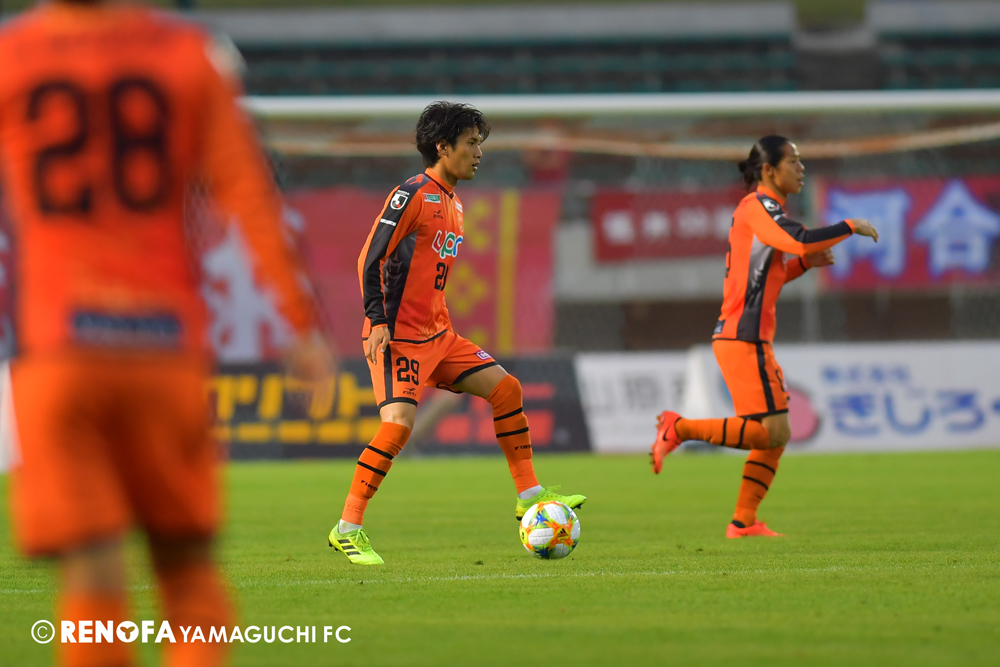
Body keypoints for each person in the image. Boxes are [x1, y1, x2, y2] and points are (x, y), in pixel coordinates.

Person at [0, 3, 333, 666]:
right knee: (187, 572)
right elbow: (248, 194)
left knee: (92, 581)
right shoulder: (188, 53)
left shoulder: (11, 56)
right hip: (165, 346)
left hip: (58, 351)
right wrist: (301, 325)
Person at [329, 101, 585, 565]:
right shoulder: (411, 194)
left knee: (506, 389)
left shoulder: (454, 203)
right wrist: (378, 320)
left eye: (480, 144)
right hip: (399, 337)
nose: (479, 152)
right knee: (398, 426)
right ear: (443, 147)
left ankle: (528, 495)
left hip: (439, 336)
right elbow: (370, 258)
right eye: (471, 143)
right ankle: (347, 528)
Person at [650, 135, 878, 538]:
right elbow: (800, 240)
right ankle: (679, 429)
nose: (801, 168)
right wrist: (849, 226)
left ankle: (743, 521)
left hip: (746, 337)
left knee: (776, 433)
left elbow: (763, 279)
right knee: (770, 432)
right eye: (794, 161)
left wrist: (803, 266)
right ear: (769, 170)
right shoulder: (759, 208)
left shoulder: (759, 211)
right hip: (743, 337)